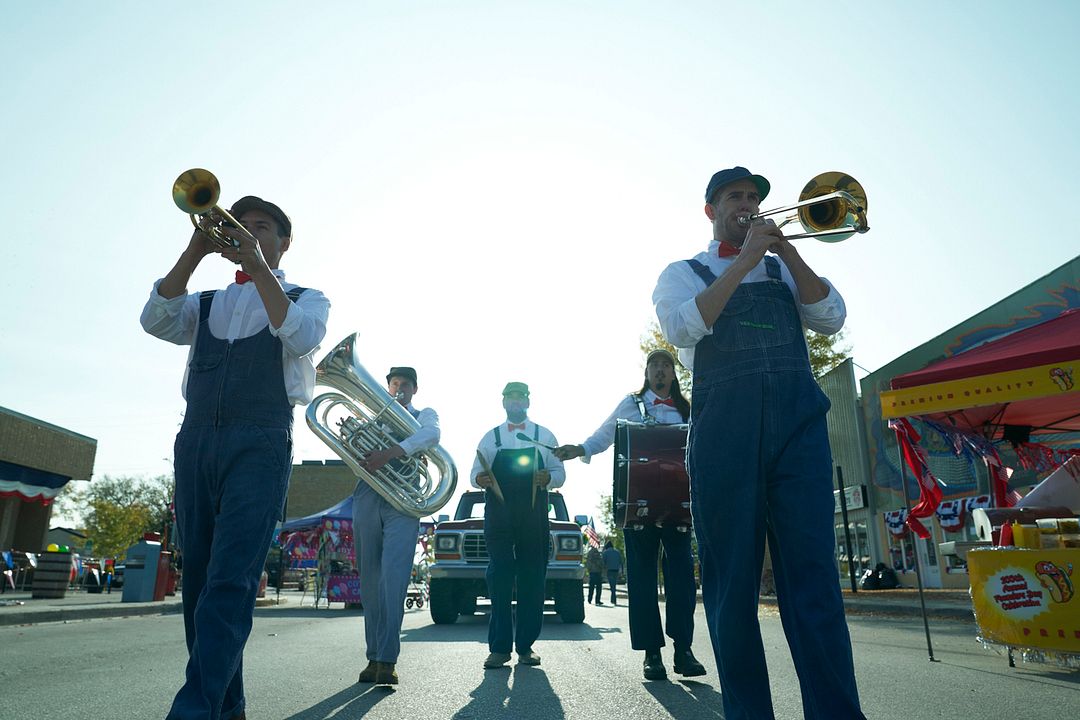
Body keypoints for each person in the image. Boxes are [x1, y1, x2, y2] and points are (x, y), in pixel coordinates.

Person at [652, 166, 864, 719]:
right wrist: (744, 261)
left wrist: (788, 255)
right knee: (731, 588)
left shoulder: (783, 269)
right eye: (734, 197)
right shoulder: (684, 272)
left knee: (815, 579)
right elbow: (680, 331)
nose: (747, 205)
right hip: (726, 431)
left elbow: (830, 318)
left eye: (753, 197)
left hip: (798, 429)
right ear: (711, 210)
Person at [141, 194, 329, 720]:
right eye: (238, 226)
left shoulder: (306, 297)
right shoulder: (203, 302)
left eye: (261, 227)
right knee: (200, 580)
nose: (247, 232)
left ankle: (194, 710)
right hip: (196, 440)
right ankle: (226, 710)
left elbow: (302, 335)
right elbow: (154, 319)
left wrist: (258, 266)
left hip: (261, 441)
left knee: (231, 579)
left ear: (283, 241)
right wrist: (196, 248)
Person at [555, 348, 706, 680]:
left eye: (666, 365)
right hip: (638, 505)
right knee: (641, 580)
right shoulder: (631, 405)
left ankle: (684, 650)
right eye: (655, 366)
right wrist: (580, 448)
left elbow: (704, 447)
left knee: (682, 579)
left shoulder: (687, 409)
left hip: (679, 507)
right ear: (647, 373)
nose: (661, 371)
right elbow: (605, 434)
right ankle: (652, 654)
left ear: (673, 374)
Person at [352, 366, 441, 686]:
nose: (399, 388)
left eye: (405, 384)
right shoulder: (373, 414)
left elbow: (432, 436)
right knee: (370, 582)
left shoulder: (424, 414)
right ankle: (373, 656)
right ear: (387, 387)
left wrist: (389, 453)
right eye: (394, 384)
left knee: (393, 580)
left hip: (403, 498)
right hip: (366, 495)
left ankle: (387, 660)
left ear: (415, 389)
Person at [471, 381, 565, 669]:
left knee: (532, 578)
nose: (515, 402)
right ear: (503, 402)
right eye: (510, 397)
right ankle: (499, 649)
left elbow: (560, 472)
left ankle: (526, 646)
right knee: (499, 576)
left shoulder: (544, 435)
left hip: (534, 512)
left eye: (520, 397)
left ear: (527, 401)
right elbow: (475, 472)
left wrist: (548, 479)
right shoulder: (490, 438)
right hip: (498, 513)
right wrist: (480, 479)